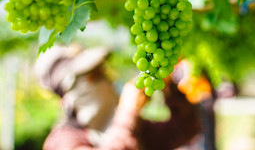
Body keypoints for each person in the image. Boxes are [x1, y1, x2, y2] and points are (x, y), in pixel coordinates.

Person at [35, 45, 201, 150]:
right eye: (94, 76)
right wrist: (127, 112)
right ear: (67, 94)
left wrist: (169, 88)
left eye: (103, 72)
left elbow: (185, 129)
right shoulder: (61, 142)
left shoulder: (132, 129)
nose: (107, 80)